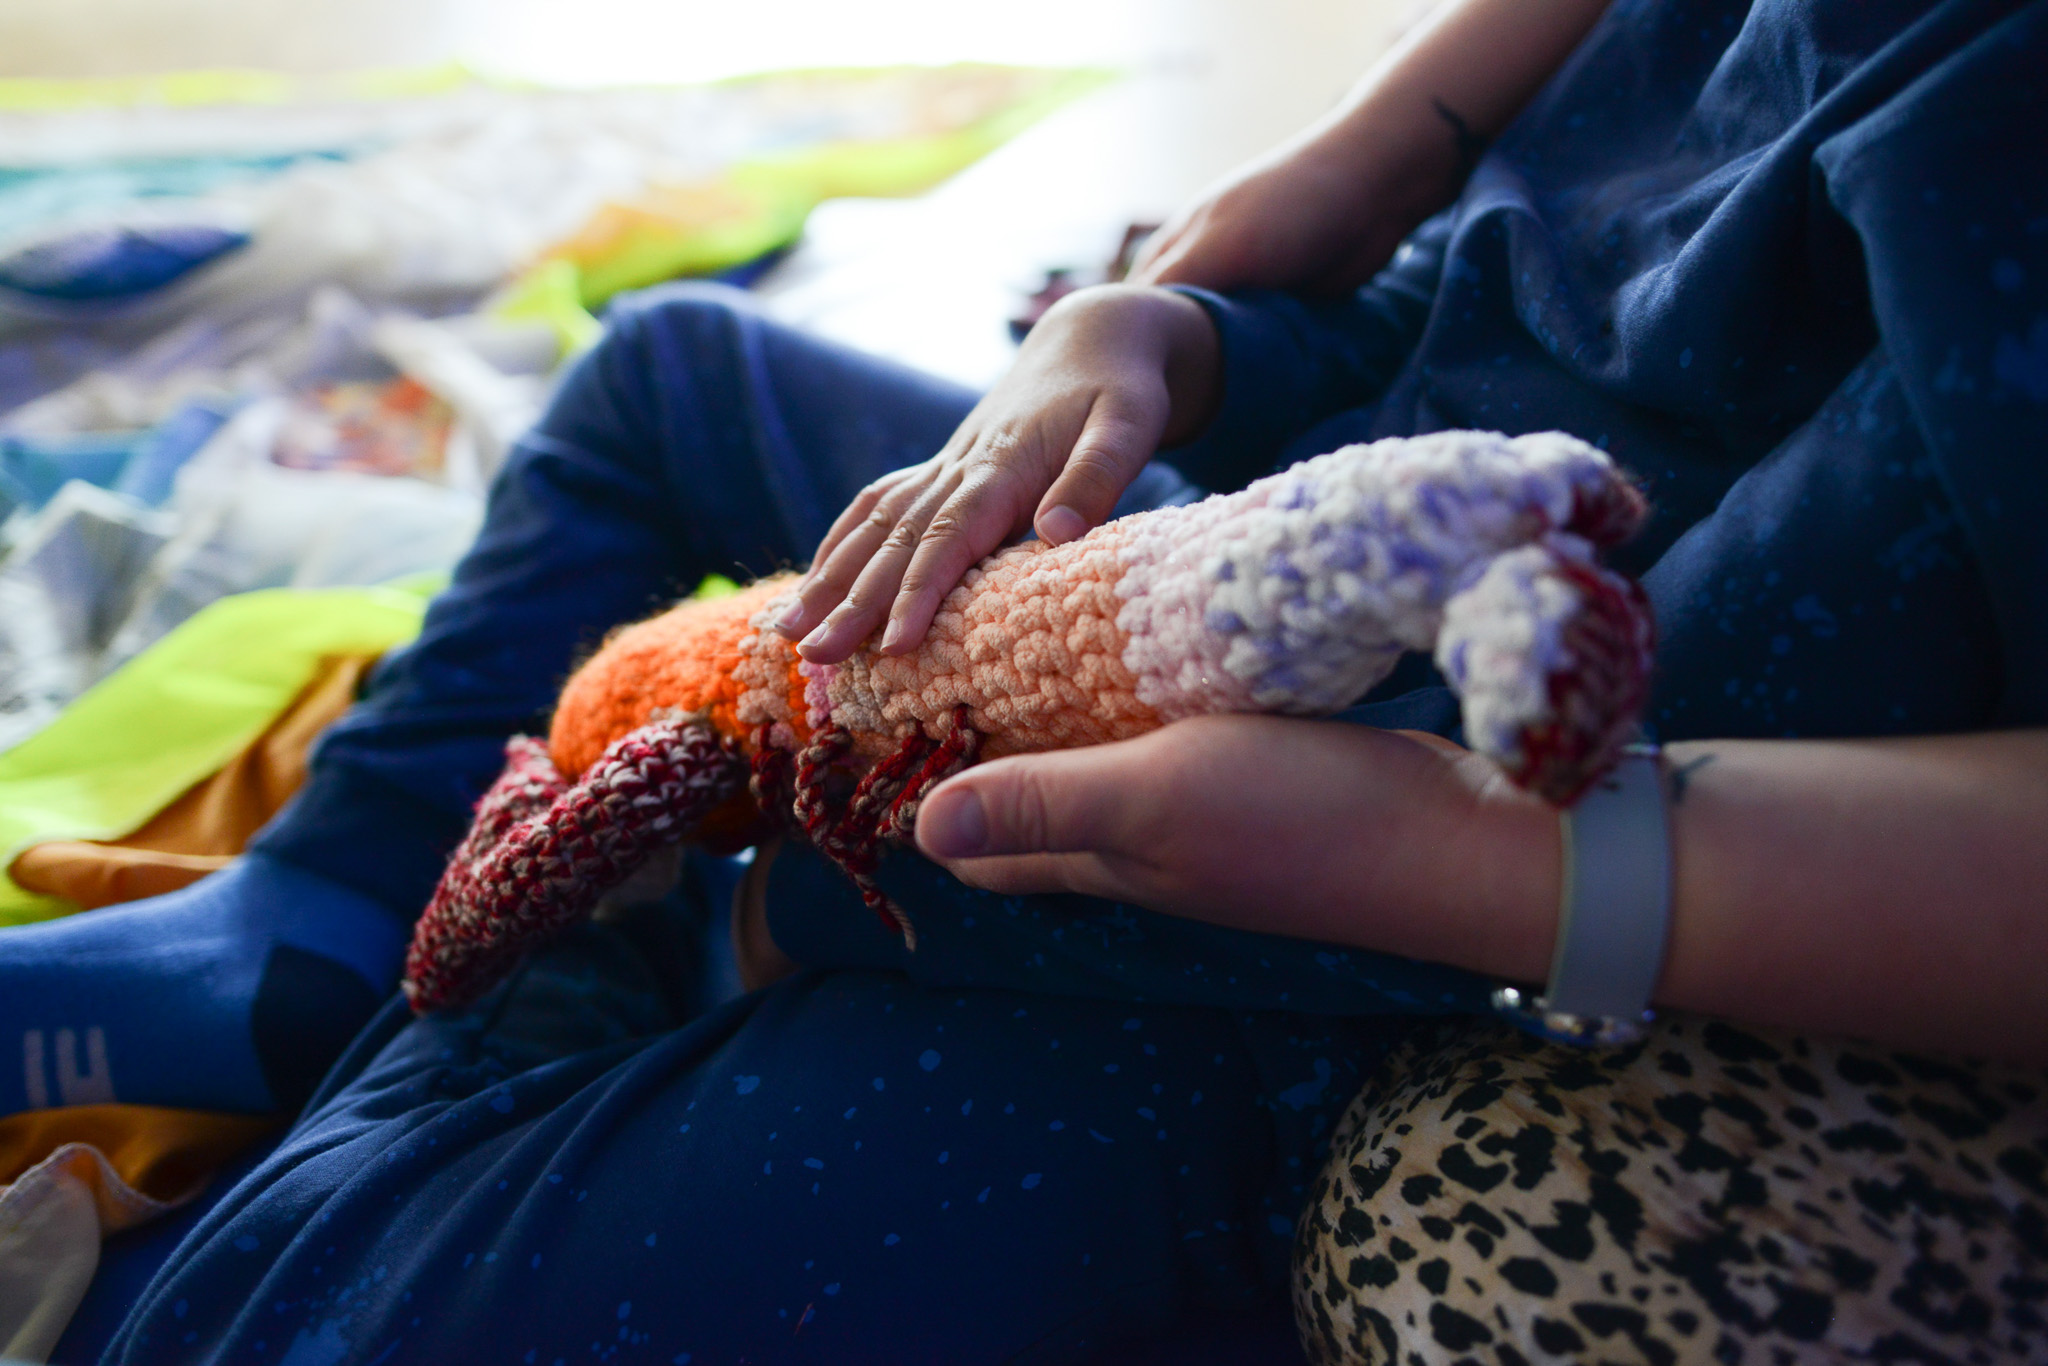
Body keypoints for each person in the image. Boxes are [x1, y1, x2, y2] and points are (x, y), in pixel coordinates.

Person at [9, 0, 2043, 1360]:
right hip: (1282, 530)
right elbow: (1423, 183)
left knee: (303, 1303)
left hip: (1477, 857)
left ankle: (523, 1001)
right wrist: (1153, 331)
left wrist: (1433, 859)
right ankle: (334, 909)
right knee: (668, 379)